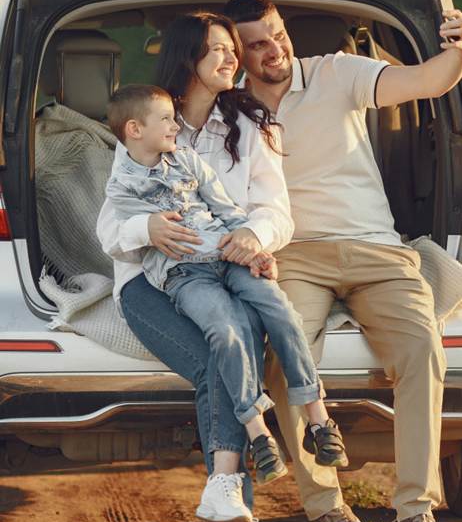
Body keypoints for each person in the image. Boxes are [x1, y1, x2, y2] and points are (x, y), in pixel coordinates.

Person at [217, 0, 462, 522]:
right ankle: (329, 511)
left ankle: (414, 515)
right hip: (294, 255)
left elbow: (430, 80)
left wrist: (461, 48)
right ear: (235, 54)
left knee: (422, 346)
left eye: (277, 34)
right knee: (287, 355)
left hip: (376, 250)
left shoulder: (337, 72)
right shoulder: (226, 111)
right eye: (256, 44)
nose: (273, 50)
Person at [97, 12, 296, 522]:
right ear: (189, 60)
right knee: (219, 360)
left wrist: (254, 238)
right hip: (148, 282)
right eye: (219, 50)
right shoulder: (148, 124)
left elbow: (276, 210)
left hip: (223, 272)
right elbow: (109, 232)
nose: (234, 59)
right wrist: (148, 230)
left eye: (233, 48)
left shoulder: (251, 128)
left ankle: (226, 503)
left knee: (230, 351)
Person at [103, 83, 348, 492]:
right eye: (165, 119)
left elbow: (226, 210)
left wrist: (254, 248)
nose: (174, 126)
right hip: (184, 275)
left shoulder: (187, 159)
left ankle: (320, 421)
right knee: (225, 331)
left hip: (229, 257)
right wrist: (146, 228)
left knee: (282, 312)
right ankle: (259, 434)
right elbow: (121, 237)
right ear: (134, 129)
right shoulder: (120, 188)